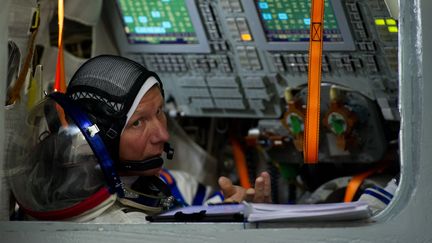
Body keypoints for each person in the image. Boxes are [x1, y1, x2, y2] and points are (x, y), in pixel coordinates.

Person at [6, 55, 271, 223]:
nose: (163, 135)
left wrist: (241, 212)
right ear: (98, 138)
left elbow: (205, 210)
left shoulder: (173, 184)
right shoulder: (109, 222)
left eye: (159, 112)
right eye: (138, 122)